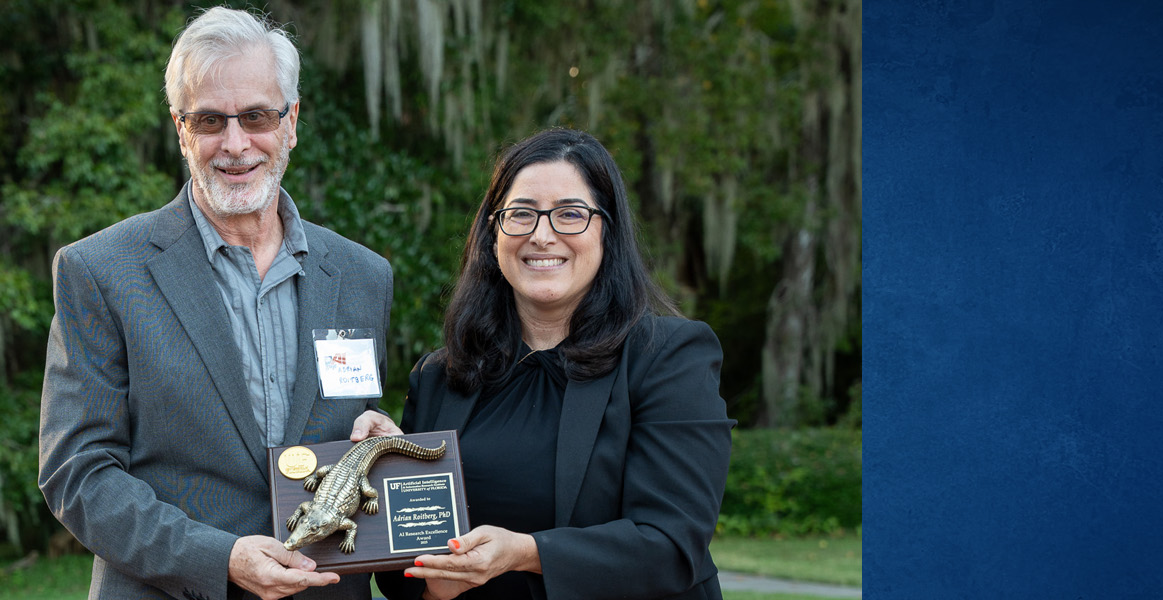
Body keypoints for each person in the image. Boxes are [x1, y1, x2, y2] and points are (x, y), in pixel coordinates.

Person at [38, 7, 400, 600]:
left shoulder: (362, 276)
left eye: (256, 116)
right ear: (181, 129)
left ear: (292, 122)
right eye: (210, 120)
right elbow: (77, 472)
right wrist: (220, 557)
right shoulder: (101, 271)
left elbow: (350, 436)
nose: (235, 144)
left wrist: (378, 445)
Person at [375, 128, 736, 600]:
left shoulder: (666, 358)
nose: (542, 236)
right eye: (521, 214)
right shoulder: (442, 375)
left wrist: (526, 552)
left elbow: (672, 544)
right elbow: (403, 567)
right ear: (492, 233)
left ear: (607, 229)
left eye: (570, 214)